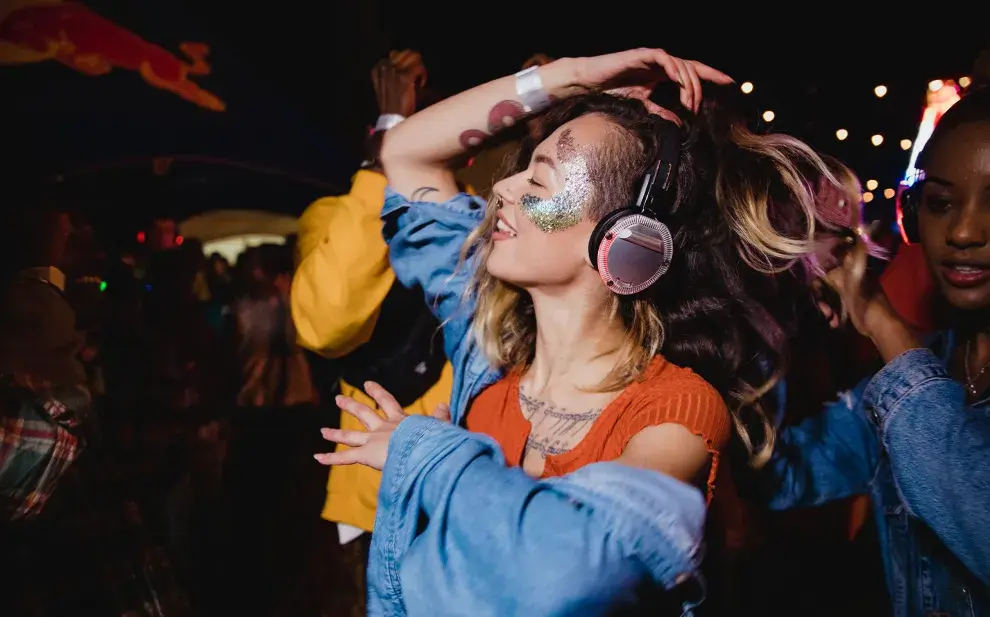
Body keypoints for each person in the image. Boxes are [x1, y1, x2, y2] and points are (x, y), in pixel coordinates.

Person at [316, 48, 837, 615]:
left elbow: (571, 565)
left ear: (629, 242)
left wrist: (428, 455)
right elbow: (406, 152)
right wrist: (567, 78)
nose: (502, 190)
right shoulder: (486, 351)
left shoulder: (676, 411)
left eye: (538, 182)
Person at [764, 84, 990, 617]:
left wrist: (881, 321)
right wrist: (765, 312)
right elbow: (781, 476)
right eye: (940, 204)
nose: (962, 231)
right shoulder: (915, 376)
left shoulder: (905, 375)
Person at [289, 50, 453, 616]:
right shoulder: (335, 213)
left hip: (478, 491)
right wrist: (392, 133)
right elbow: (325, 321)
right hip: (376, 503)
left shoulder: (480, 217)